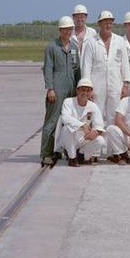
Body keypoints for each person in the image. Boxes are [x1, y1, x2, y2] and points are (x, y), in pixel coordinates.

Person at [40, 16, 81, 166]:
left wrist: (78, 89)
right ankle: (46, 153)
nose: (67, 32)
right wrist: (50, 88)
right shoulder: (52, 47)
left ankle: (67, 149)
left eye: (70, 29)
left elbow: (77, 69)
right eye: (65, 29)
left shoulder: (74, 47)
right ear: (60, 30)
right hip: (56, 89)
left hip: (71, 89)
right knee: (52, 121)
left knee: (69, 122)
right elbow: (48, 69)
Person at [81, 10, 130, 124]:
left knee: (114, 116)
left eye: (110, 23)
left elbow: (125, 64)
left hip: (116, 85)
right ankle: (96, 134)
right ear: (99, 24)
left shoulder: (120, 41)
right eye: (105, 23)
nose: (108, 25)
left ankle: (112, 135)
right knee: (95, 114)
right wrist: (87, 88)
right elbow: (86, 67)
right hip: (96, 86)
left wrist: (126, 85)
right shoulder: (91, 42)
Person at [56, 77, 106, 166]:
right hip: (70, 137)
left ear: (91, 93)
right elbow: (65, 118)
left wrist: (95, 132)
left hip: (84, 137)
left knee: (100, 140)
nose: (85, 93)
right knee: (67, 129)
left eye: (88, 91)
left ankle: (82, 156)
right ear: (77, 91)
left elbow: (99, 124)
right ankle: (72, 158)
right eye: (82, 90)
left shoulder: (93, 106)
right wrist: (82, 125)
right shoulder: (68, 102)